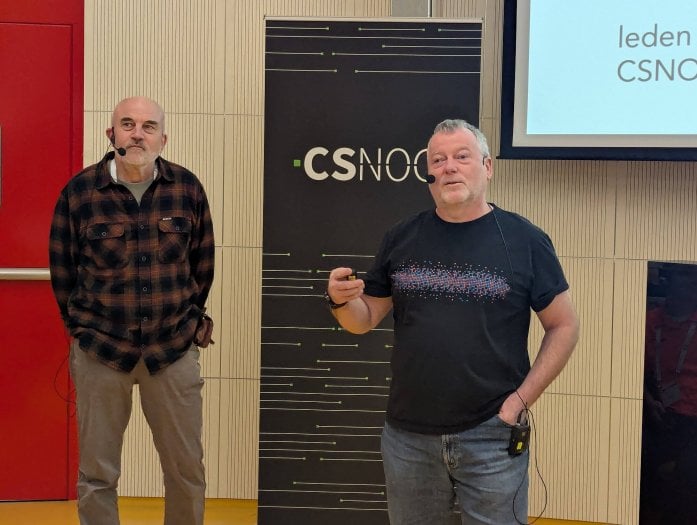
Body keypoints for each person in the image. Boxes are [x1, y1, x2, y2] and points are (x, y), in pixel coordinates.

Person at [325, 119, 579, 525]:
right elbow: (364, 319)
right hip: (408, 439)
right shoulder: (401, 237)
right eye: (438, 160)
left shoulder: (525, 240)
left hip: (493, 435)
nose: (449, 167)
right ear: (429, 173)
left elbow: (564, 325)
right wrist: (340, 301)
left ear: (487, 167)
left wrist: (518, 403)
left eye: (462, 157)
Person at [49, 96, 215, 525]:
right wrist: (82, 331)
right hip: (101, 352)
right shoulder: (80, 193)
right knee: (97, 475)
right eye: (127, 124)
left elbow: (202, 266)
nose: (137, 134)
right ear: (111, 134)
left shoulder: (187, 189)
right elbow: (63, 270)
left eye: (148, 126)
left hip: (172, 351)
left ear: (163, 138)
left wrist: (187, 323)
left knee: (186, 470)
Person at [641, 263, 697, 524]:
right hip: (655, 413)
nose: (691, 282)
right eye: (684, 274)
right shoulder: (648, 322)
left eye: (694, 276)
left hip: (692, 421)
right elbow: (629, 372)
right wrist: (648, 402)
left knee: (687, 475)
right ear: (669, 279)